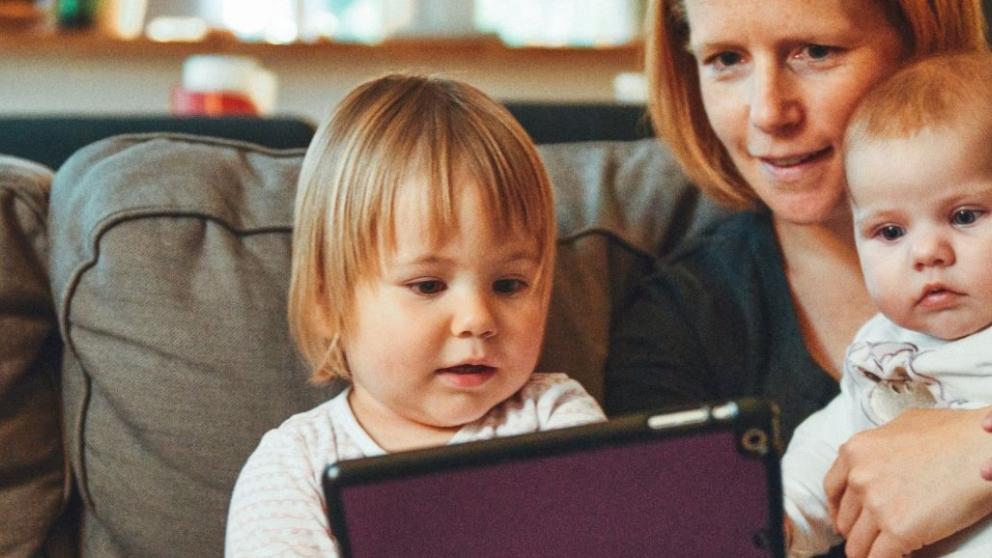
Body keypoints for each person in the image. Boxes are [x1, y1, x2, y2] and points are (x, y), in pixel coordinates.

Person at [603, 1, 991, 556]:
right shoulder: (681, 321)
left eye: (815, 52)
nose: (768, 112)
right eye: (726, 58)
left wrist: (972, 456)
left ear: (920, 37)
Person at [224, 74, 605, 557]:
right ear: (327, 303)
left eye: (508, 285)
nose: (476, 319)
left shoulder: (556, 419)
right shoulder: (295, 466)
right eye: (428, 285)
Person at [783, 51, 992, 557]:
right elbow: (832, 454)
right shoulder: (880, 349)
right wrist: (780, 518)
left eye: (964, 216)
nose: (927, 253)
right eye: (890, 231)